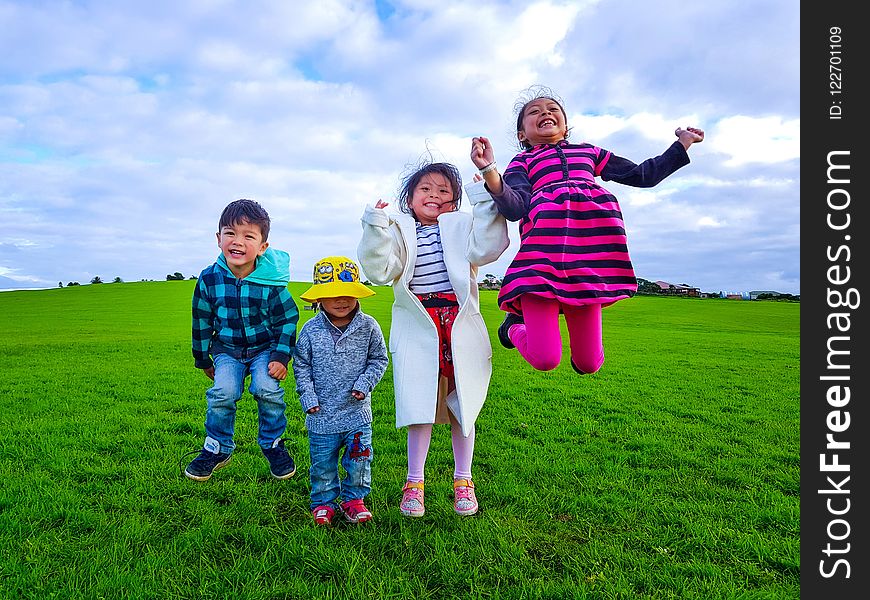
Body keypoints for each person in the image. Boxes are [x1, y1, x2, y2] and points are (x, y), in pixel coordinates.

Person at [470, 87, 705, 374]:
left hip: (588, 265)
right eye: (534, 111)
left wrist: (681, 145)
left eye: (553, 108)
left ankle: (575, 348)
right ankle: (514, 328)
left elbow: (643, 175)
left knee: (588, 363)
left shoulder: (589, 152)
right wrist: (489, 171)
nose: (545, 112)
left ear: (566, 126)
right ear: (522, 134)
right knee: (546, 360)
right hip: (541, 262)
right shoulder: (523, 162)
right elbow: (515, 208)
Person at [358, 161, 509, 518]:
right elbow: (379, 271)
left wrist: (482, 199)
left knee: (464, 404)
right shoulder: (399, 229)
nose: (434, 196)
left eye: (444, 191)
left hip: (459, 322)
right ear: (409, 198)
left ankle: (463, 480)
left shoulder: (462, 226)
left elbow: (490, 246)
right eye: (425, 189)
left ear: (455, 201)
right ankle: (414, 483)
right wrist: (375, 225)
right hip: (419, 322)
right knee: (419, 404)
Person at [184, 198, 300, 482]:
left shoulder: (271, 282)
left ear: (262, 246)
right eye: (230, 233)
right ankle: (217, 448)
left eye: (249, 236)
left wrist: (281, 356)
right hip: (227, 350)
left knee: (266, 389)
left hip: (265, 349)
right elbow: (201, 320)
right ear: (218, 238)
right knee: (222, 392)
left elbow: (288, 318)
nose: (238, 241)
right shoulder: (209, 279)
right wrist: (202, 358)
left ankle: (273, 444)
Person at [293, 256, 389, 526]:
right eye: (332, 294)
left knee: (359, 460)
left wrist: (364, 384)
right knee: (322, 463)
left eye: (347, 293)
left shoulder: (368, 326)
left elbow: (379, 359)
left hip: (357, 414)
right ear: (318, 299)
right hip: (321, 414)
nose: (341, 300)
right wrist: (308, 397)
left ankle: (353, 500)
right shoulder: (311, 330)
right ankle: (323, 502)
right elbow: (301, 365)